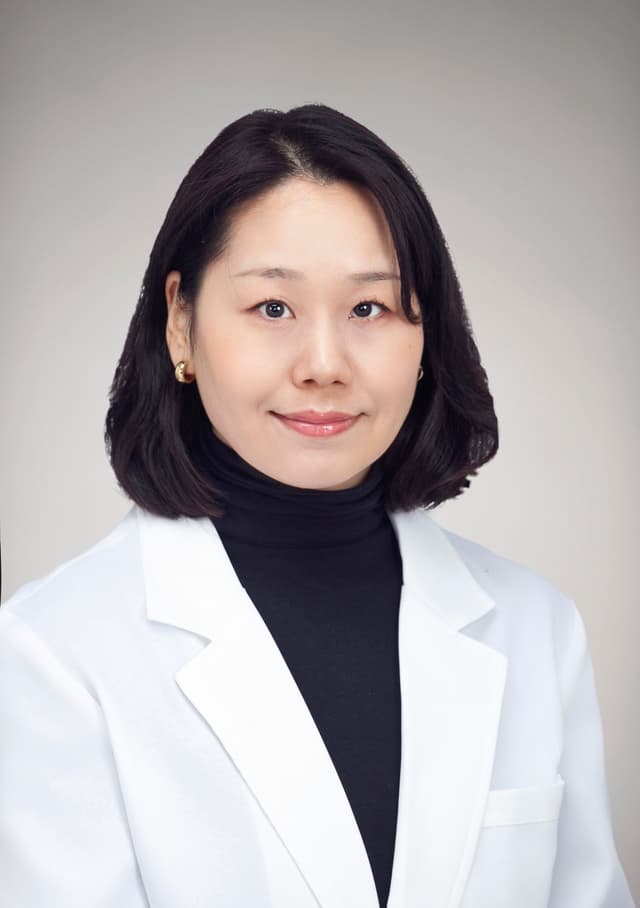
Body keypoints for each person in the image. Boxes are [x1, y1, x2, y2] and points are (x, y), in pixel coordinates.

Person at [0, 104, 634, 908]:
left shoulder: (535, 628)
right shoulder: (53, 653)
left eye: (370, 309)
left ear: (426, 336)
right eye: (273, 308)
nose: (324, 364)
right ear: (181, 324)